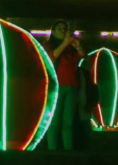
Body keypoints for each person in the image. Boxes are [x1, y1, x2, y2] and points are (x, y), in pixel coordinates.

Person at [42, 20, 85, 150]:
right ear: (53, 31)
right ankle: (53, 150)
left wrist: (78, 46)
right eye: (59, 28)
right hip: (56, 87)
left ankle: (68, 150)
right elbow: (51, 57)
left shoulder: (70, 47)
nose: (62, 30)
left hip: (71, 87)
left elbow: (83, 56)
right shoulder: (48, 44)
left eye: (64, 28)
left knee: (68, 122)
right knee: (54, 121)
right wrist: (65, 43)